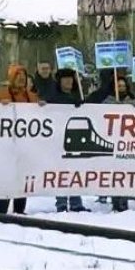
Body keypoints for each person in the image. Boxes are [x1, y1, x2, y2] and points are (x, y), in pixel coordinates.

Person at [0, 63, 41, 215]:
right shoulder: (2, 94)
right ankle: (1, 210)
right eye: (18, 77)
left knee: (23, 177)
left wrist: (43, 107)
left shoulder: (31, 96)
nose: (21, 80)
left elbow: (39, 114)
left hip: (25, 144)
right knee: (6, 177)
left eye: (23, 78)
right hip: (6, 144)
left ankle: (20, 210)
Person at [46, 68, 89, 213]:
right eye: (65, 79)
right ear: (60, 81)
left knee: (75, 171)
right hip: (58, 139)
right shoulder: (53, 97)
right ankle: (62, 203)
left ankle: (76, 202)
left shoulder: (79, 96)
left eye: (71, 79)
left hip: (75, 139)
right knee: (62, 171)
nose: (69, 81)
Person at [102, 75, 135, 212]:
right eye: (119, 86)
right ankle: (116, 201)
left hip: (128, 143)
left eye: (123, 86)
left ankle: (124, 201)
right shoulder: (107, 102)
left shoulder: (133, 102)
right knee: (115, 174)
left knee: (125, 173)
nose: (121, 88)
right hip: (112, 141)